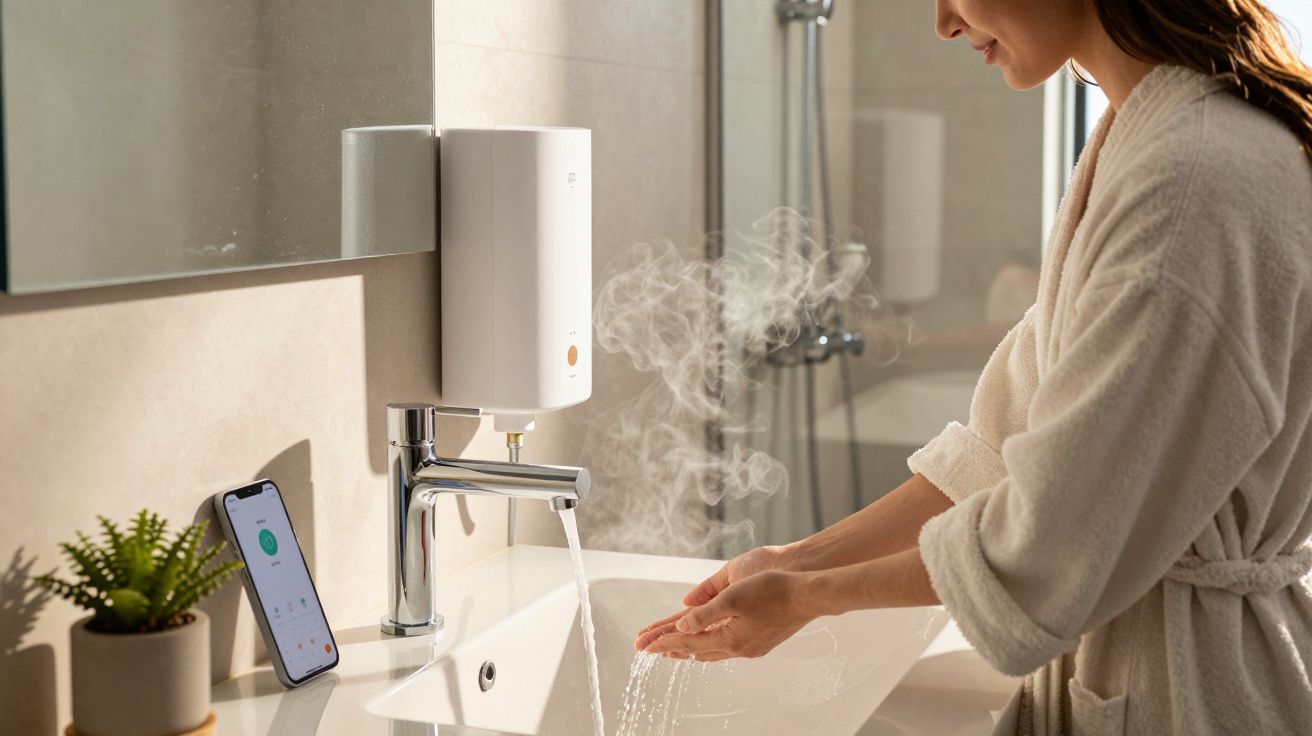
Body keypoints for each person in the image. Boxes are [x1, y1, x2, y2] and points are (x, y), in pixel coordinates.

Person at [636, 1, 1312, 733]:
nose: (943, 23)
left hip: (1196, 699)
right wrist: (792, 563)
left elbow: (1049, 546)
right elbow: (1000, 449)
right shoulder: (1151, 141)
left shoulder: (1192, 181)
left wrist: (803, 601)